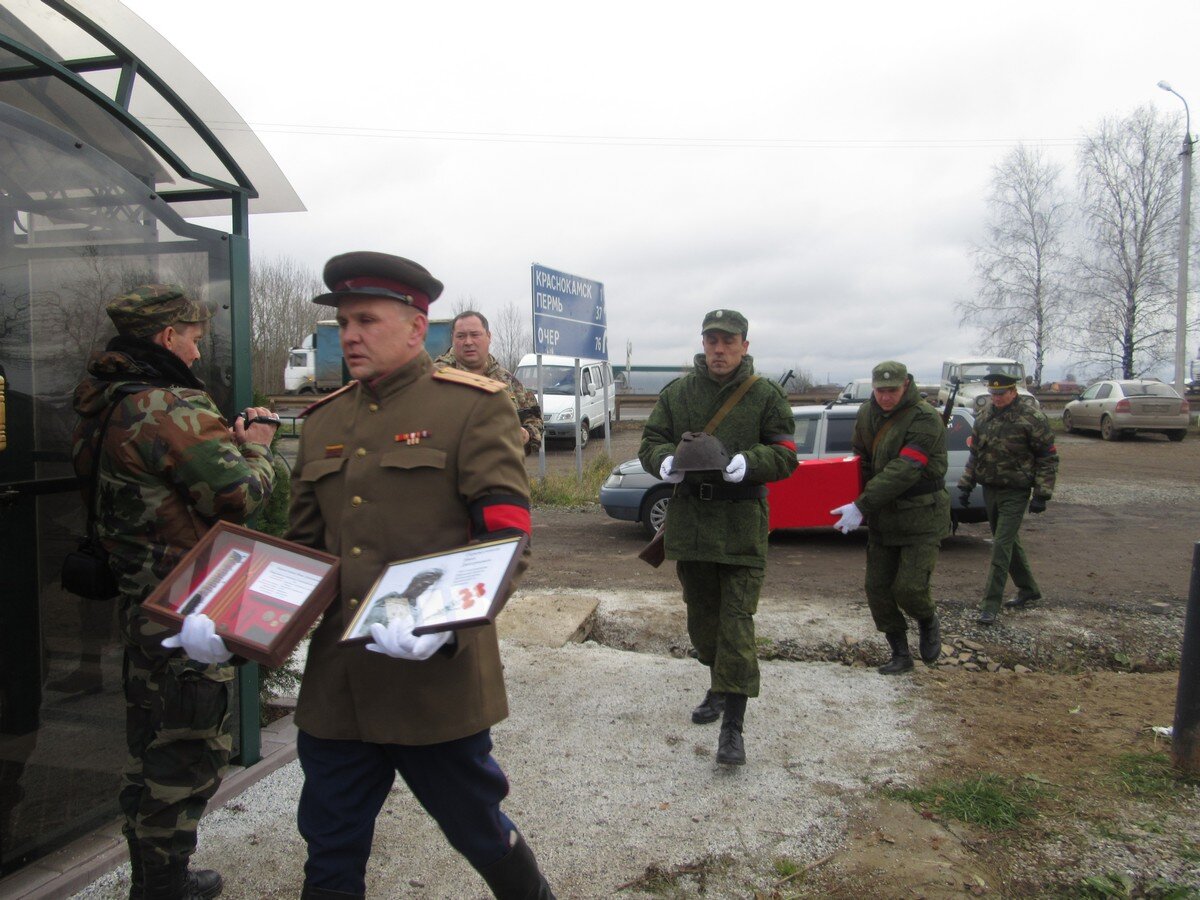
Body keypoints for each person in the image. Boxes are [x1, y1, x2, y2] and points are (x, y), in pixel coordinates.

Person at [284, 252, 554, 899]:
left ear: (415, 327)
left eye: (366, 319)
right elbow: (301, 551)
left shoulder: (472, 409)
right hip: (339, 689)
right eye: (344, 321)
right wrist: (238, 625)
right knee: (329, 850)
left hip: (434, 683)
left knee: (480, 832)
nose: (349, 334)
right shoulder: (322, 421)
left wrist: (445, 624)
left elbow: (506, 534)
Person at [71, 284, 278, 899]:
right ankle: (163, 886)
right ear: (167, 337)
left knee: (150, 745)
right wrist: (258, 450)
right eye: (192, 338)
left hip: (141, 602)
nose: (194, 351)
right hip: (188, 609)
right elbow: (236, 494)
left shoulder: (101, 401)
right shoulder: (167, 407)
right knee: (185, 753)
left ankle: (153, 873)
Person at [638, 309, 797, 766]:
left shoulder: (765, 395)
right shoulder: (679, 393)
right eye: (712, 341)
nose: (719, 349)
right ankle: (718, 684)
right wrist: (664, 461)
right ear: (704, 344)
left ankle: (733, 728)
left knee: (737, 625)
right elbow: (651, 441)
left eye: (728, 341)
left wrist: (750, 462)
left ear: (745, 345)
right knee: (704, 629)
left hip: (742, 523)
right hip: (691, 524)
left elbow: (786, 455)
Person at [831, 361, 949, 675]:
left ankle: (927, 619)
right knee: (878, 590)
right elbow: (861, 459)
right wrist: (851, 494)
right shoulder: (867, 414)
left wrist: (863, 503)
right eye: (880, 390)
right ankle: (900, 653)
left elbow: (906, 468)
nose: (885, 397)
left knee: (909, 589)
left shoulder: (925, 418)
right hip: (885, 518)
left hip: (921, 516)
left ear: (906, 385)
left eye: (892, 390)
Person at [956, 372, 1059, 626]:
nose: (997, 398)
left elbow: (1047, 457)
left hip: (1016, 490)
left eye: (1002, 393)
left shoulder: (1031, 418)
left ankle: (990, 604)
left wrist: (1042, 494)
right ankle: (1029, 589)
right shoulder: (984, 417)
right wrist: (966, 485)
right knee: (1010, 541)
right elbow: (975, 454)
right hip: (990, 488)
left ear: (1013, 392)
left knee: (1000, 544)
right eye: (994, 394)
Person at [434, 310, 544, 455]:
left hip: (502, 471)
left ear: (489, 336)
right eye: (461, 336)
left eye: (475, 335)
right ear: (452, 339)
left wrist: (526, 434)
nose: (468, 342)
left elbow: (534, 418)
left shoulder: (506, 380)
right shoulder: (437, 378)